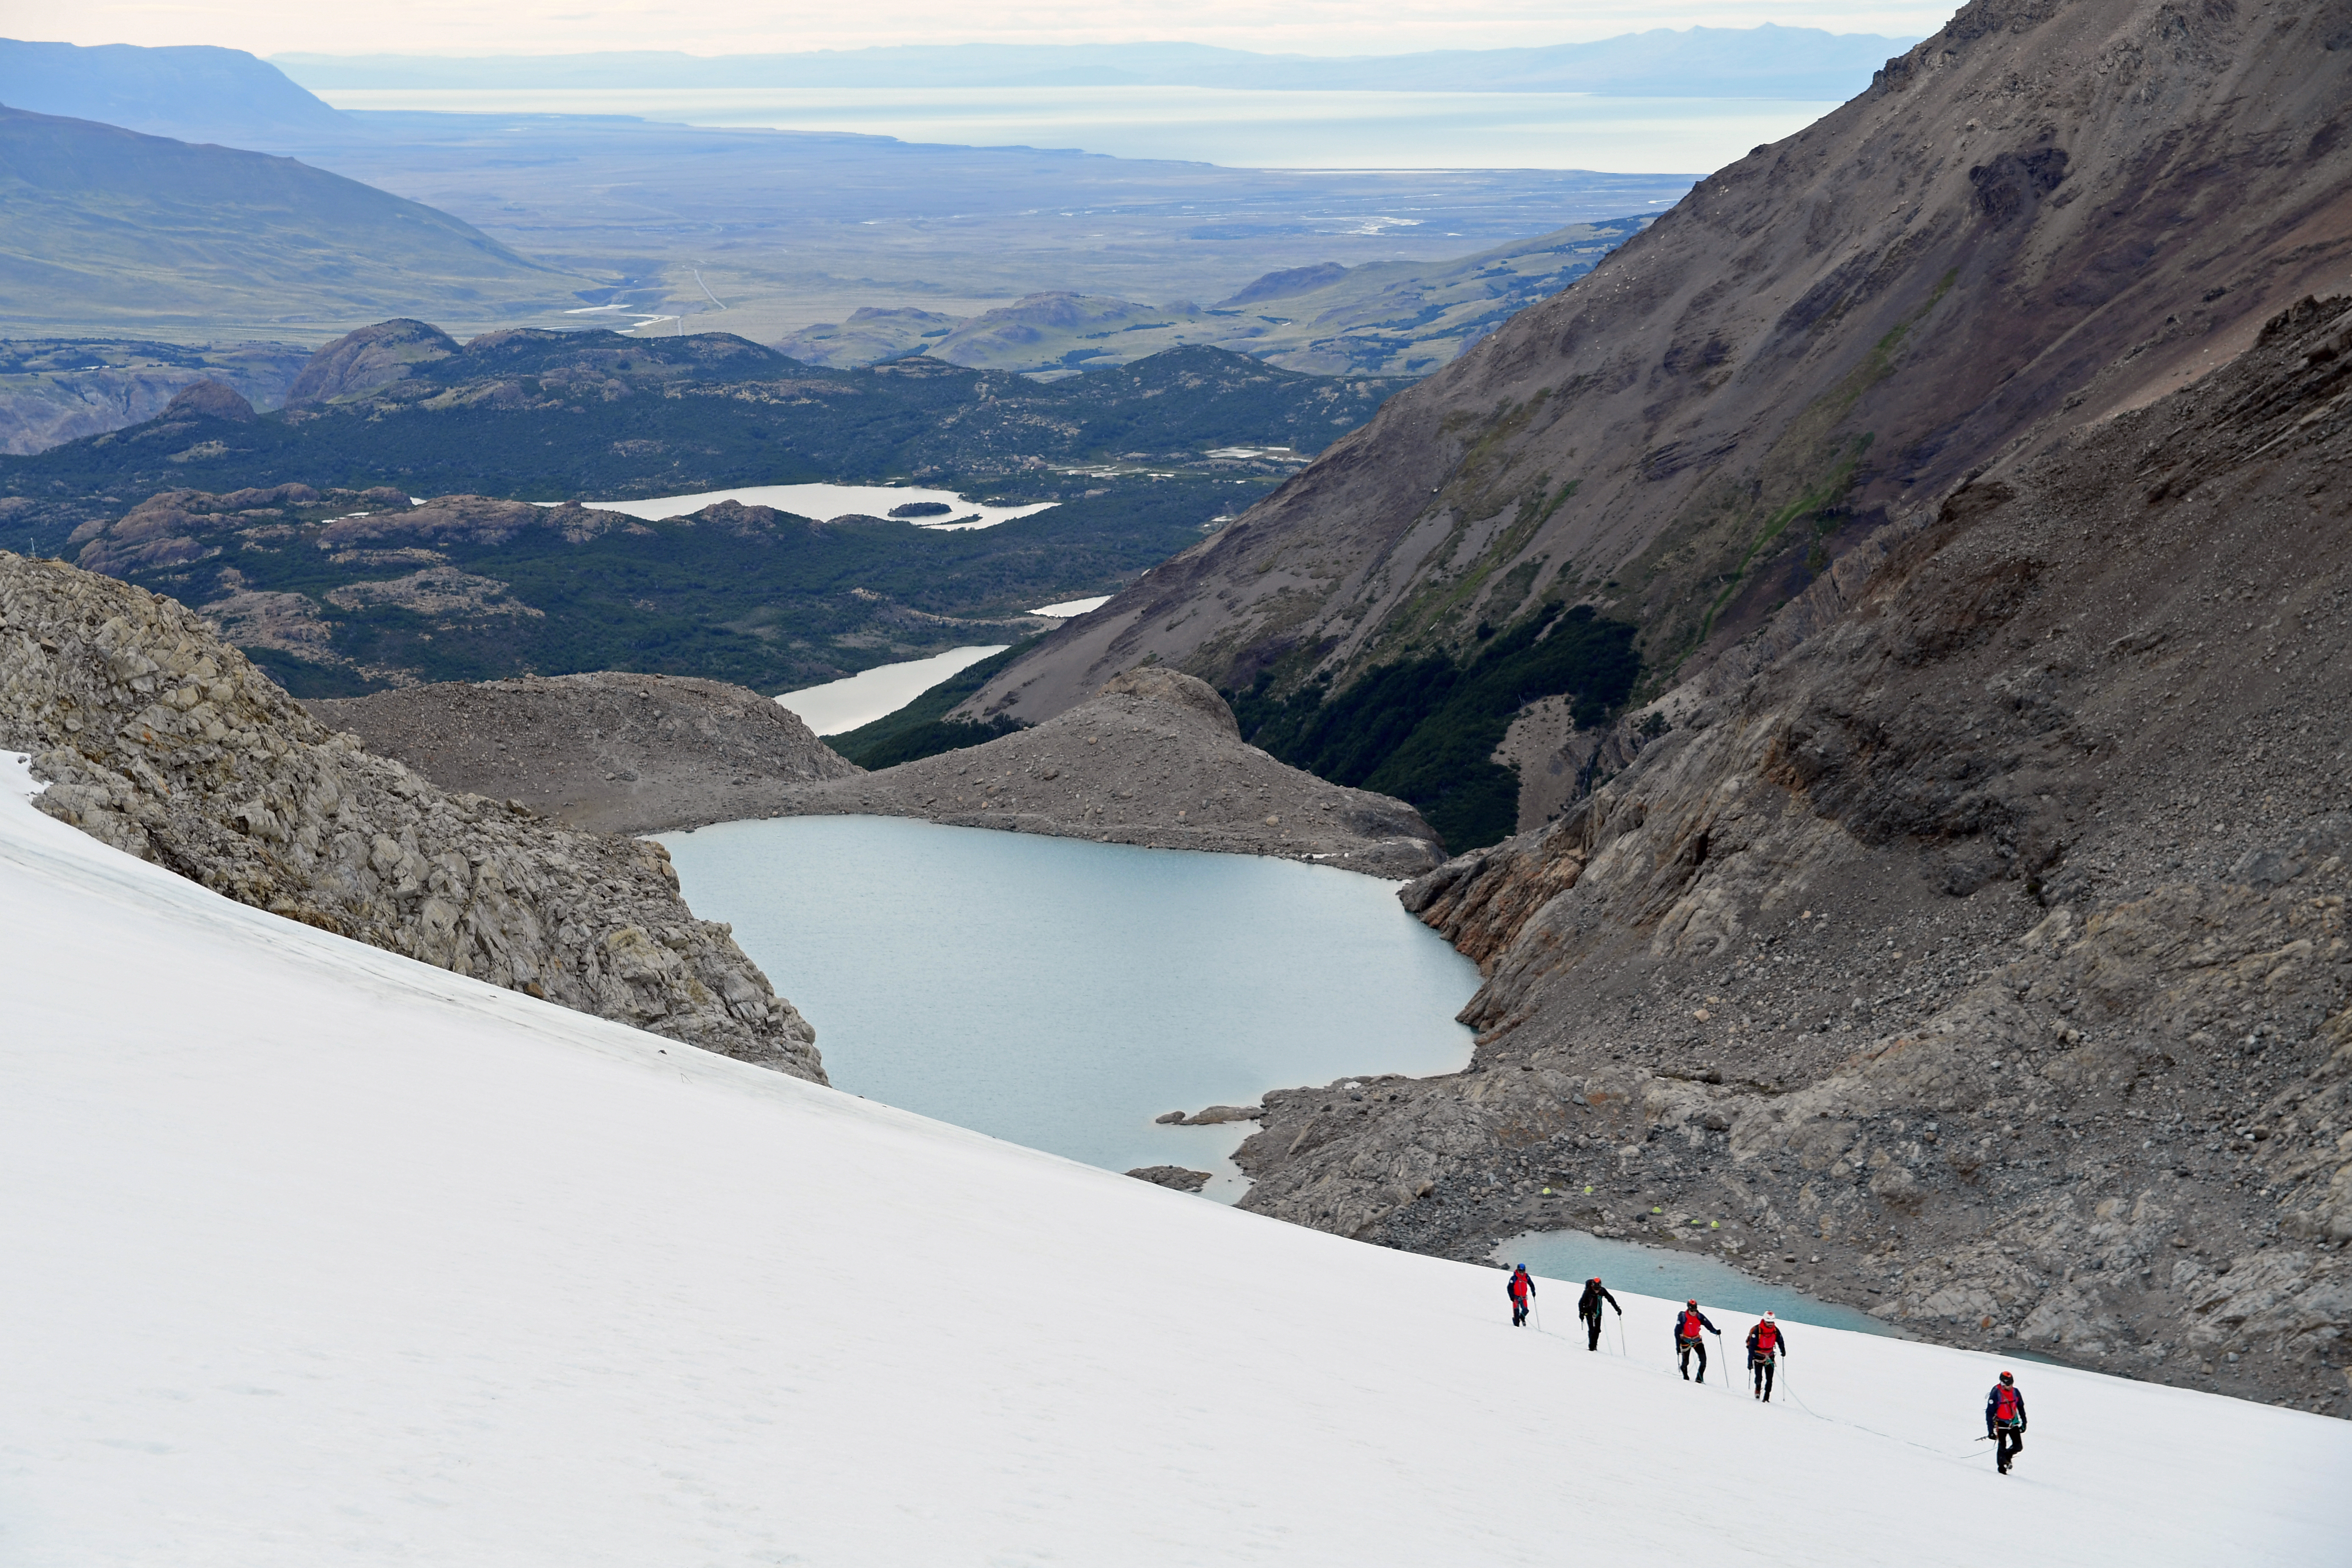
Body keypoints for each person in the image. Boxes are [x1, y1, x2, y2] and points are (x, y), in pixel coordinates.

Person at [1986, 1371, 2028, 1473]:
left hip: (2013, 1422)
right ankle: (2002, 1469)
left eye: (2011, 1385)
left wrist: (2024, 1423)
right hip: (2000, 1424)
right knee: (2002, 1446)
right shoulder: (1996, 1393)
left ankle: (2007, 1457)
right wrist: (1991, 1431)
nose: (2010, 1387)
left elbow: (2021, 1407)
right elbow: (1989, 1413)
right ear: (2003, 1383)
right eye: (2008, 1385)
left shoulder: (2016, 1392)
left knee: (2018, 1446)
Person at [1674, 1299, 1721, 1381]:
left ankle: (1699, 1380)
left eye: (1695, 1310)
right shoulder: (1683, 1318)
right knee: (1686, 1363)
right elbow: (1677, 1332)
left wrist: (1715, 1331)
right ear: (1688, 1309)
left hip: (1697, 1340)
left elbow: (1708, 1325)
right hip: (1685, 1341)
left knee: (1703, 1361)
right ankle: (1685, 1376)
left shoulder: (1700, 1317)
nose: (1694, 1312)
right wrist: (1678, 1346)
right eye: (1692, 1310)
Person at [1746, 1312, 1789, 1401]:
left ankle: (1766, 1398)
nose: (1770, 1324)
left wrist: (1783, 1351)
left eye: (1772, 1322)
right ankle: (1758, 1389)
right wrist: (1750, 1362)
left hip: (1770, 1357)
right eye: (1769, 1322)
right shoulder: (1757, 1331)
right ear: (1765, 1321)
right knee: (1759, 1378)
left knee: (1770, 1379)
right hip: (1758, 1357)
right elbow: (1752, 1347)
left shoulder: (1775, 1330)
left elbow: (1780, 1341)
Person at [1576, 1277, 1622, 1351]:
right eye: (1595, 1289)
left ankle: (1595, 1346)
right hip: (1588, 1312)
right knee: (1592, 1329)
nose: (1597, 1291)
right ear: (1593, 1286)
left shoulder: (1603, 1291)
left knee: (1597, 1330)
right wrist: (1581, 1313)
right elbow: (1581, 1302)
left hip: (1598, 1312)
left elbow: (1611, 1299)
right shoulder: (1588, 1292)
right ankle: (1591, 1348)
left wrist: (1617, 1309)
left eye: (1598, 1289)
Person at [1507, 1263, 1536, 1328]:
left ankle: (1522, 1318)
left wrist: (1533, 1292)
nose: (1522, 1273)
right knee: (1516, 1317)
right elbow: (1509, 1288)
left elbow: (1531, 1284)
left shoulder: (1527, 1277)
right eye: (1520, 1271)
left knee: (1526, 1310)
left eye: (1523, 1271)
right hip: (1516, 1298)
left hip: (1524, 1298)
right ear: (1518, 1270)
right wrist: (1512, 1297)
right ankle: (1516, 1321)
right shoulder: (1514, 1278)